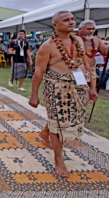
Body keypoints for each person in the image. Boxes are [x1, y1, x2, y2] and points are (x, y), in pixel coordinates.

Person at [29, 11, 98, 178]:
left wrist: (92, 86)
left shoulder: (78, 40)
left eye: (73, 19)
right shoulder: (48, 46)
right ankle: (59, 160)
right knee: (58, 123)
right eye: (66, 20)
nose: (71, 22)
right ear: (55, 25)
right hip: (56, 88)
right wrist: (34, 95)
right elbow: (38, 72)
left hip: (78, 86)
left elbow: (84, 65)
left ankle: (45, 133)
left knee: (67, 119)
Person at [78, 20, 109, 84]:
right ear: (80, 29)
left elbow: (105, 52)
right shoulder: (72, 39)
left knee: (90, 92)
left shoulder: (96, 40)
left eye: (93, 29)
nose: (91, 31)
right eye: (88, 29)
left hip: (91, 71)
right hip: (76, 71)